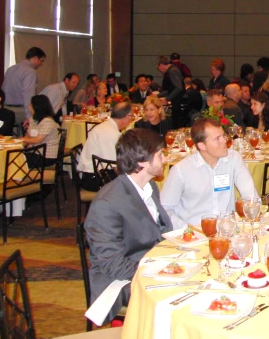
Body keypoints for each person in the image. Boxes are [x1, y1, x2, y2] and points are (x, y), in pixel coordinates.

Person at [84, 128, 171, 324]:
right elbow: (112, 263)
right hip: (118, 280)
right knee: (178, 297)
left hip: (149, 264)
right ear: (142, 161)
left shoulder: (149, 187)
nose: (165, 160)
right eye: (159, 155)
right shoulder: (106, 204)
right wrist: (159, 274)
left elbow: (159, 232)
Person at [160, 118, 256, 229]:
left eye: (223, 136)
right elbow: (165, 209)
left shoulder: (233, 158)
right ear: (202, 146)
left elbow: (250, 194)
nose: (224, 141)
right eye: (217, 138)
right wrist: (186, 229)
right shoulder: (181, 170)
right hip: (194, 233)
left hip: (227, 231)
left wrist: (252, 212)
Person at [79, 102, 135, 191]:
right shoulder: (112, 134)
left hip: (90, 174)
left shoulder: (104, 126)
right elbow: (115, 166)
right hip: (95, 179)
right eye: (132, 117)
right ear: (127, 117)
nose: (131, 119)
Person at [1, 46, 46, 134]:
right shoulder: (30, 71)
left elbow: (4, 89)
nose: (41, 64)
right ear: (35, 58)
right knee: (29, 136)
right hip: (20, 111)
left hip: (6, 109)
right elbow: (28, 94)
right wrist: (29, 116)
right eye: (41, 61)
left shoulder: (11, 69)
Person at [21, 94, 61, 168]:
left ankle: (21, 178)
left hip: (46, 156)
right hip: (34, 152)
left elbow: (37, 140)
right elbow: (28, 136)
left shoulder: (47, 121)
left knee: (17, 161)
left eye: (30, 105)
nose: (29, 107)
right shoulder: (33, 119)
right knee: (15, 157)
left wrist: (20, 139)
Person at [157, 55, 184, 129]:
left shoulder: (172, 71)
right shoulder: (173, 70)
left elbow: (178, 87)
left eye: (158, 67)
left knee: (176, 124)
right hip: (177, 101)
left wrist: (167, 99)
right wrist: (158, 96)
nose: (159, 70)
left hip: (178, 102)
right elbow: (171, 89)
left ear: (161, 65)